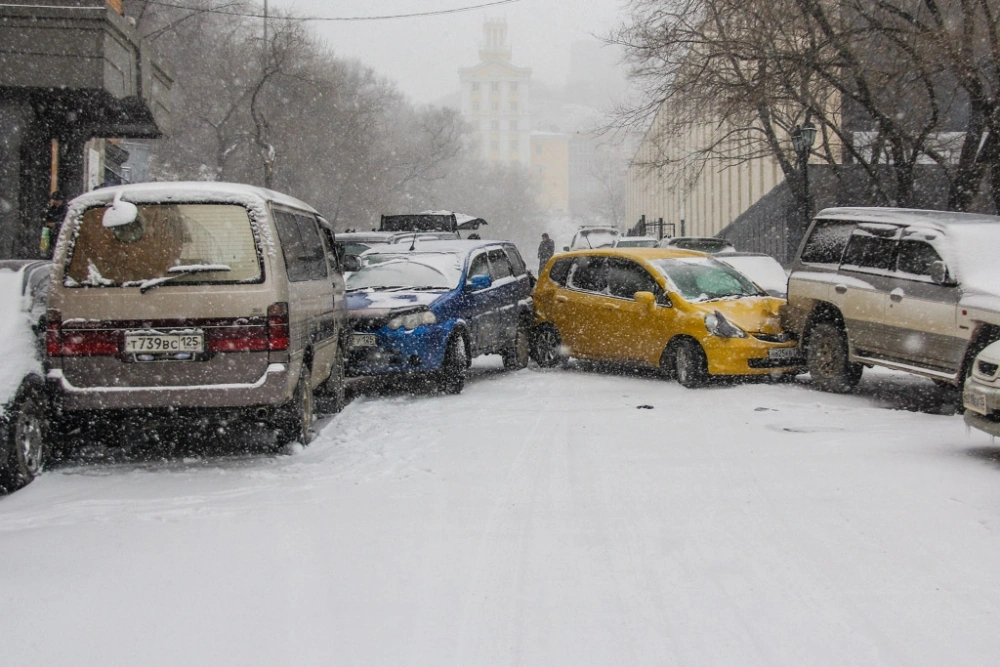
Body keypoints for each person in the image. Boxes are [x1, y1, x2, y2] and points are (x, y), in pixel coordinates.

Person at [41, 190, 66, 258]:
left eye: (57, 200)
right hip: (50, 234)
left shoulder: (65, 209)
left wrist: (56, 224)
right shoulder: (52, 209)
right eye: (54, 200)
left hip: (58, 234)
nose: (55, 202)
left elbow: (66, 223)